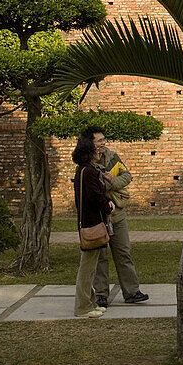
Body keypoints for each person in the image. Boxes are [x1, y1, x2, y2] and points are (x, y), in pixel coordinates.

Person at [84, 127, 149, 307]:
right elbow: (93, 189)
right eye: (99, 141)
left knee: (123, 253)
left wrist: (112, 182)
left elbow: (127, 176)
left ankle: (132, 292)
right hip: (98, 215)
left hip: (117, 215)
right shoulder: (86, 164)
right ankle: (101, 294)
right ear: (90, 143)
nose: (103, 143)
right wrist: (106, 187)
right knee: (101, 257)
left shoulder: (113, 157)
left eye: (104, 140)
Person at [72, 134, 112, 318]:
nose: (100, 151)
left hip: (90, 221)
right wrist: (108, 205)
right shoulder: (87, 171)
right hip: (91, 223)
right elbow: (95, 197)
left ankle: (91, 302)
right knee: (87, 269)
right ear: (89, 151)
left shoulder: (84, 170)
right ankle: (82, 307)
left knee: (91, 267)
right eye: (97, 149)